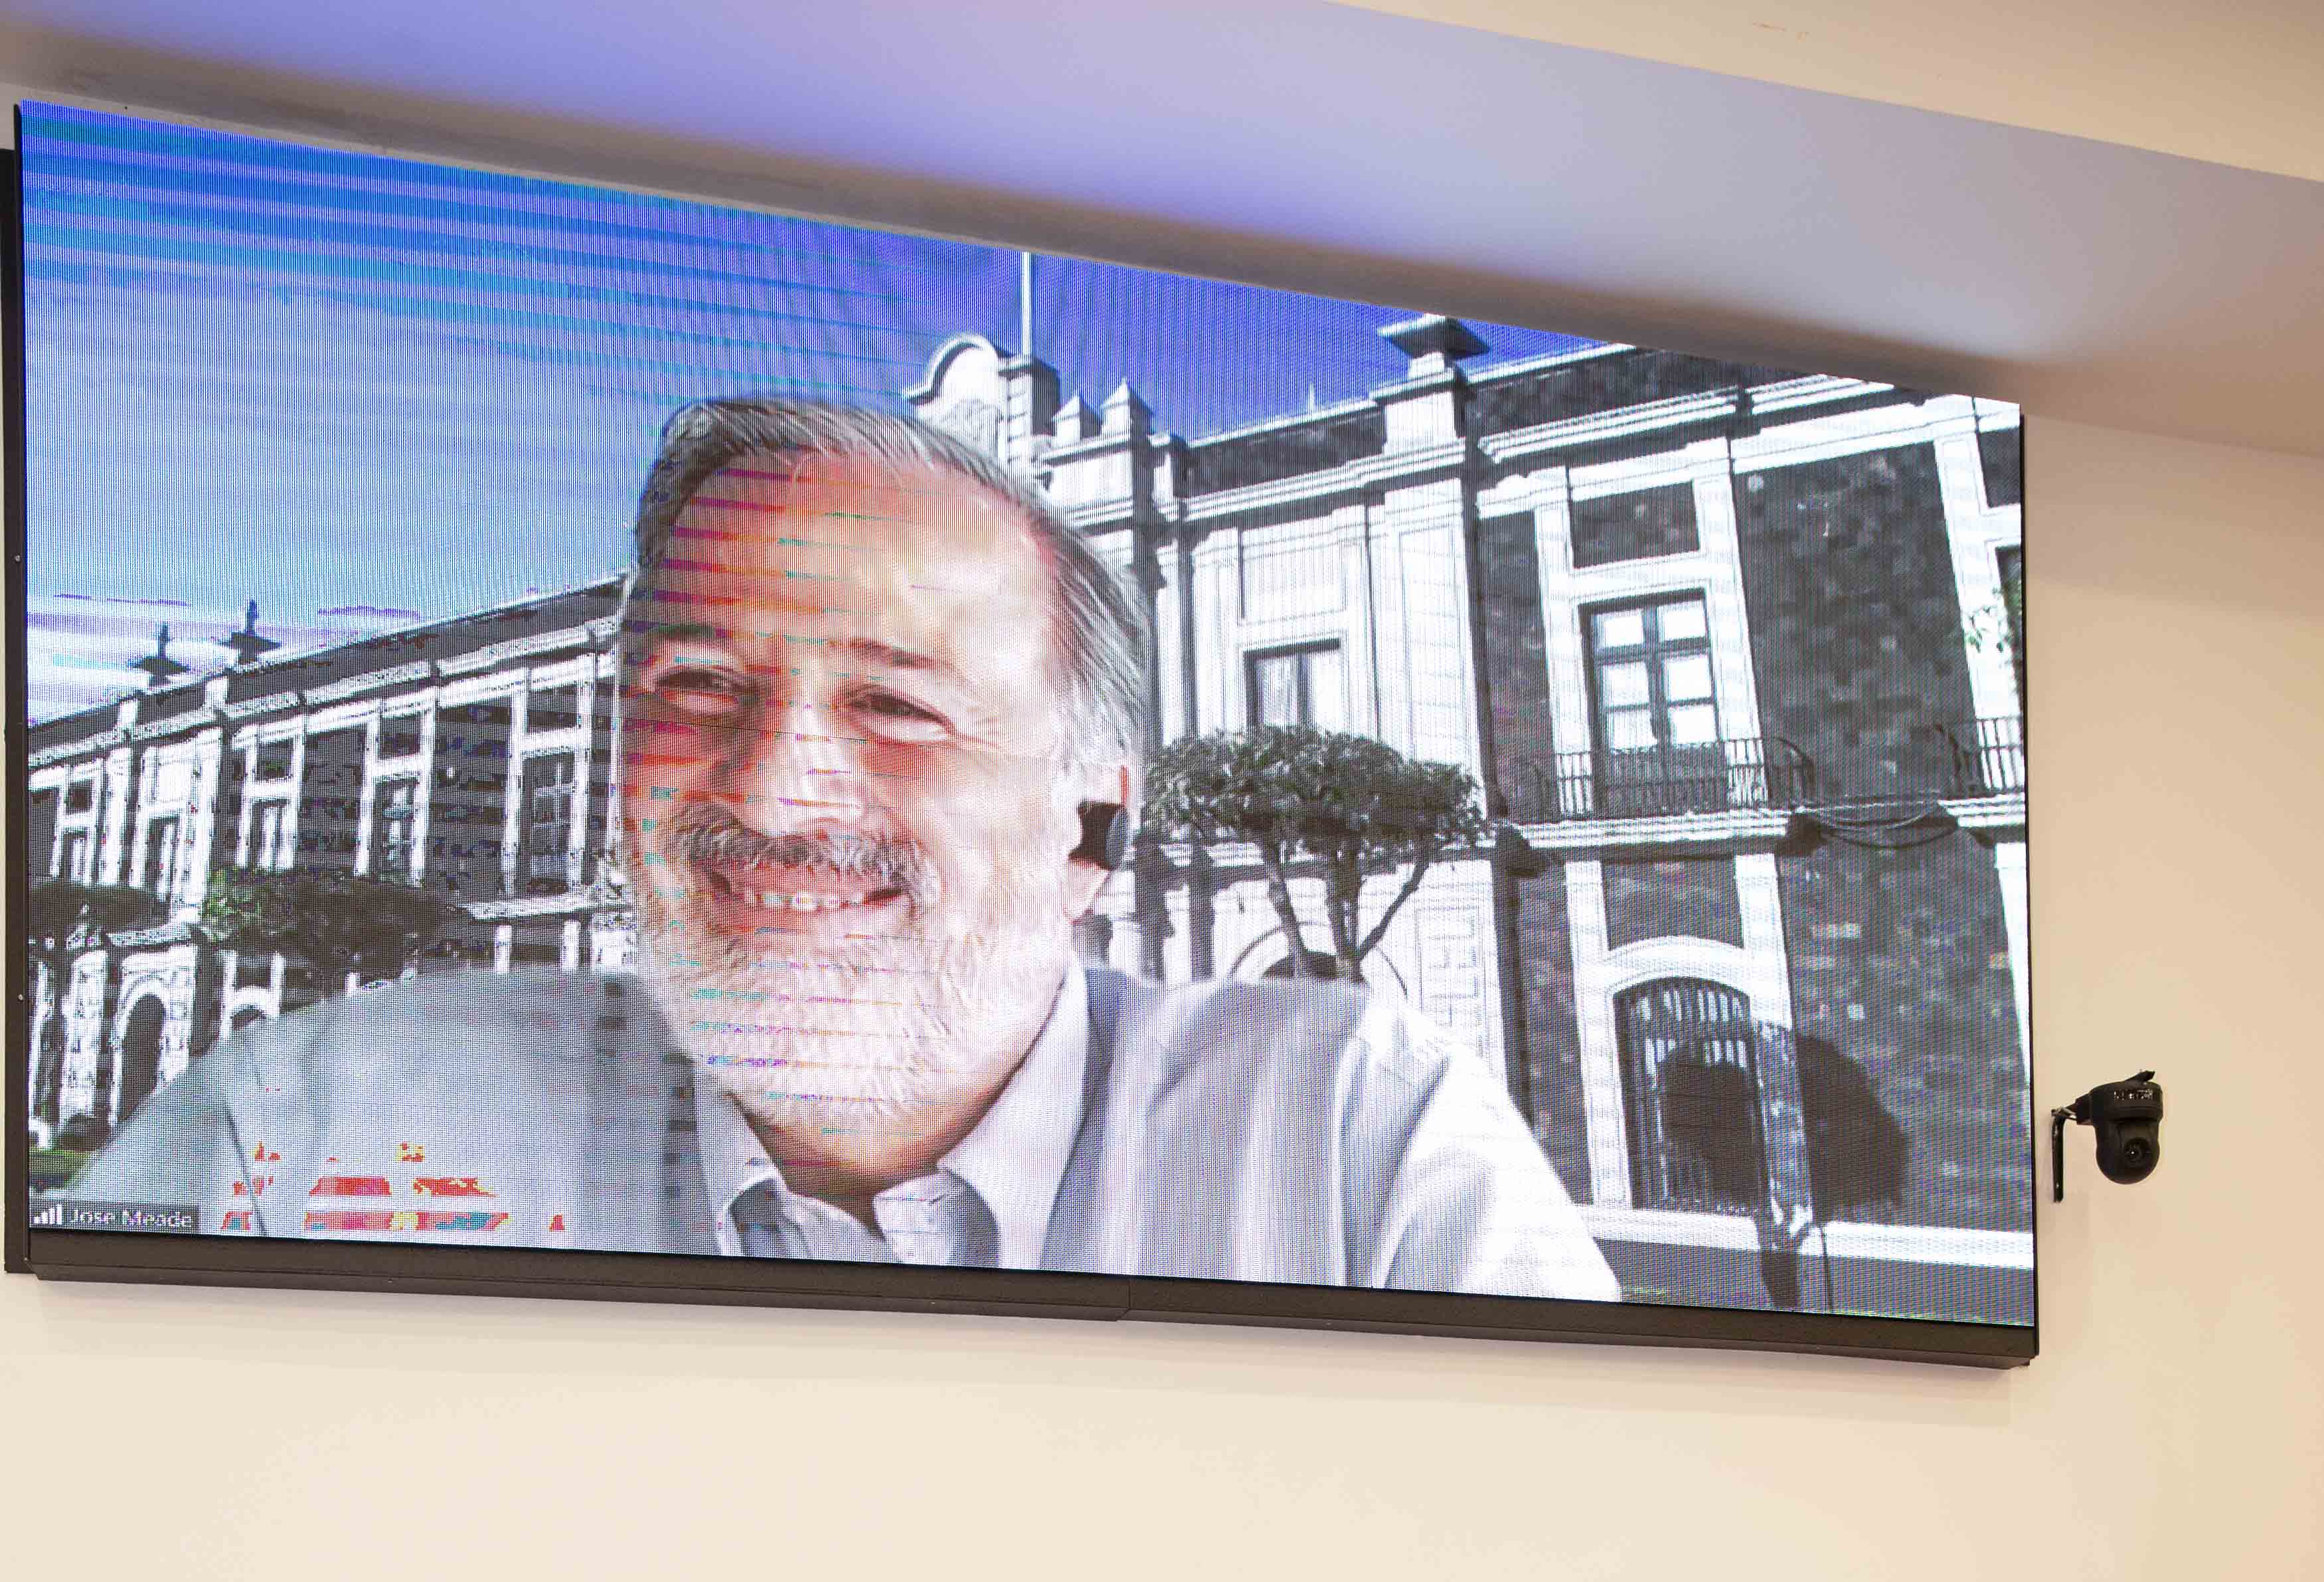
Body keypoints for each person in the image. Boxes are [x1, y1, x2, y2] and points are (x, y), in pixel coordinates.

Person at [93, 399, 1618, 1304]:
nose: (777, 788)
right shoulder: (305, 1126)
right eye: (702, 688)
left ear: (1090, 827)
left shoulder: (1360, 1136)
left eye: (898, 704)